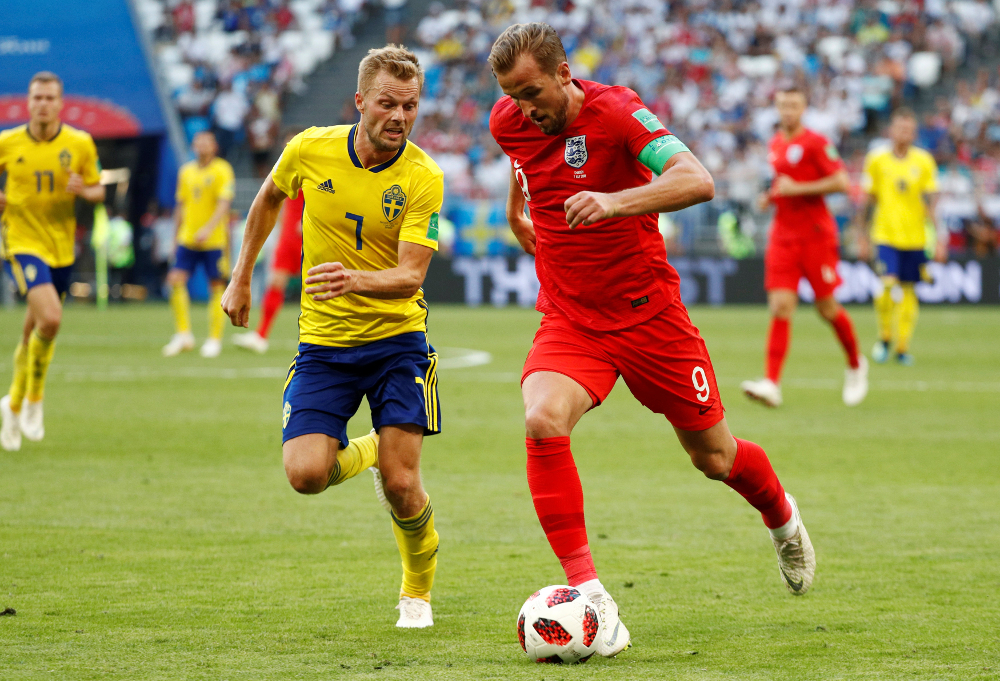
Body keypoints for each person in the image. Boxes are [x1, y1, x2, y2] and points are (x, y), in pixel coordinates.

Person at [487, 23, 816, 658]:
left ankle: (782, 517)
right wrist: (515, 213)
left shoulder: (617, 112)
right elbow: (521, 157)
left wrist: (617, 202)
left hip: (649, 317)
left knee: (715, 459)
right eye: (512, 94)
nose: (525, 107)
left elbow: (698, 179)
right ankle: (591, 596)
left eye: (533, 91)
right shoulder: (510, 119)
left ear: (564, 74)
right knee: (542, 420)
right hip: (570, 317)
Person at [221, 46, 445, 629]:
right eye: (388, 103)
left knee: (402, 484)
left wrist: (354, 280)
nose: (399, 116)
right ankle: (369, 449)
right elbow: (269, 196)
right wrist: (241, 276)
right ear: (360, 102)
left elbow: (411, 277)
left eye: (411, 105)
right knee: (306, 475)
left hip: (399, 343)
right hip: (324, 346)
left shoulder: (422, 176)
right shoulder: (309, 149)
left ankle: (416, 592)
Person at [741, 86, 868, 408]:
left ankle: (855, 364)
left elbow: (841, 182)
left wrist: (799, 189)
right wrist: (771, 197)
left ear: (804, 107)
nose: (788, 111)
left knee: (826, 309)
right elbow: (783, 183)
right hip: (783, 235)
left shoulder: (816, 143)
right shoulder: (775, 143)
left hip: (815, 235)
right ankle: (772, 383)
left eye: (794, 105)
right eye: (783, 105)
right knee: (780, 306)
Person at [0, 72, 105, 452]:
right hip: (22, 242)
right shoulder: (7, 142)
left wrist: (85, 190)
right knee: (52, 319)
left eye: (49, 98)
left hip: (61, 248)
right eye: (36, 97)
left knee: (35, 330)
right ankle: (34, 399)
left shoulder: (79, 143)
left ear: (60, 103)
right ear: (28, 102)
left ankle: (11, 403)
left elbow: (97, 188)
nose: (42, 104)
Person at [857, 108, 942, 365]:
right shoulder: (877, 160)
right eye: (900, 128)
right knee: (886, 285)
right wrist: (861, 235)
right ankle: (884, 337)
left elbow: (931, 203)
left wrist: (939, 239)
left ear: (914, 132)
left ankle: (902, 348)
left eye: (909, 129)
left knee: (908, 291)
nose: (904, 133)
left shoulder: (924, 161)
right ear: (891, 131)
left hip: (915, 238)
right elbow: (867, 201)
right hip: (885, 235)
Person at [162, 131, 235, 359]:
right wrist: (174, 239)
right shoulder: (186, 171)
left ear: (214, 146)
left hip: (213, 241)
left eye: (206, 141)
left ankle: (214, 339)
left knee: (216, 286)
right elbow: (180, 206)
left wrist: (209, 228)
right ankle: (183, 334)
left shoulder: (222, 169)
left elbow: (224, 205)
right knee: (175, 280)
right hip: (188, 238)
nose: (201, 145)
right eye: (198, 142)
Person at [232, 188, 303, 353]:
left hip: (310, 233)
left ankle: (330, 337)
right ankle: (261, 335)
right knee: (276, 283)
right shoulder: (294, 167)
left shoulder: (323, 168)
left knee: (321, 286)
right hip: (289, 237)